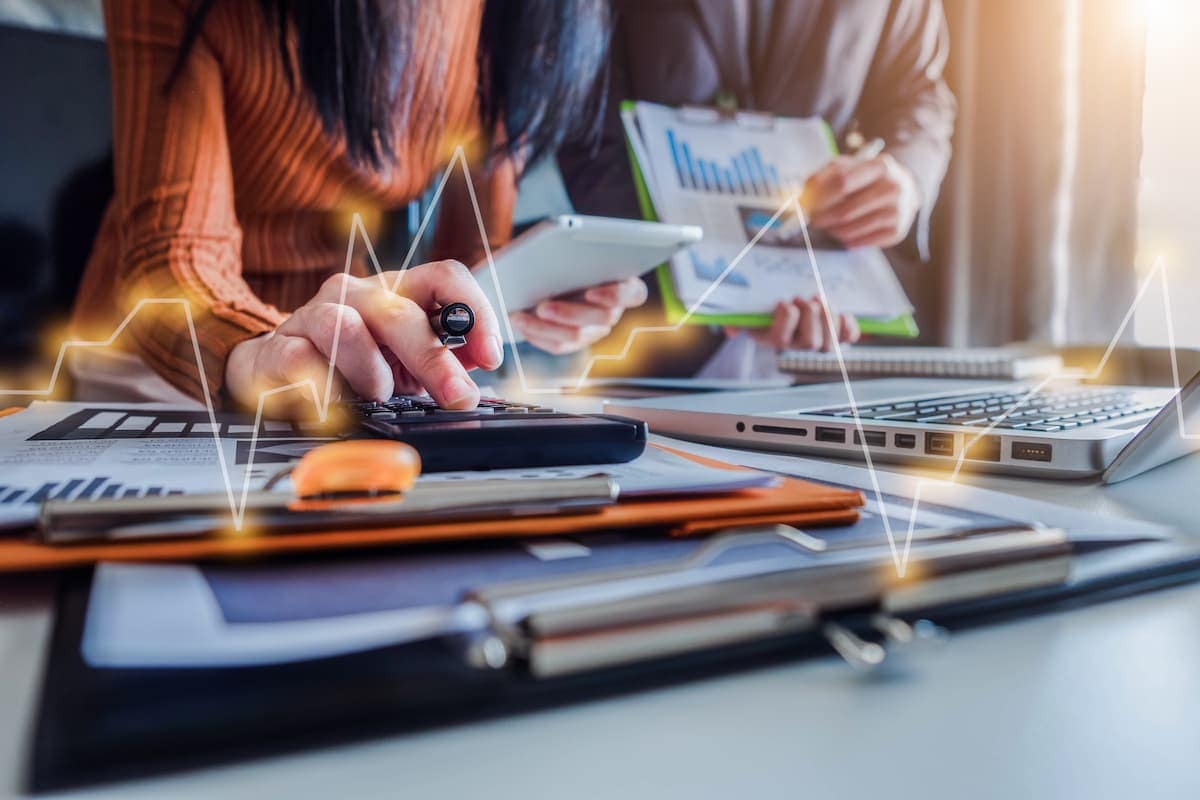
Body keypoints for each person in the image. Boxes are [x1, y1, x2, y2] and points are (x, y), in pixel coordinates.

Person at [71, 0, 645, 417]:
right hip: (176, 360)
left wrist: (529, 291)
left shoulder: (515, 19)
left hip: (356, 365)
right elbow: (174, 259)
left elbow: (470, 261)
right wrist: (255, 350)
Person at [558, 0, 956, 374]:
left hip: (825, 316)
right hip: (651, 331)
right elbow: (580, 95)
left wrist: (908, 178)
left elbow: (917, 91)